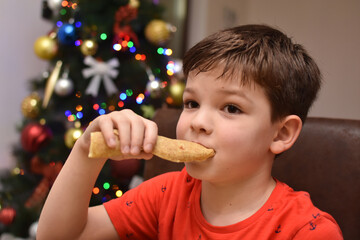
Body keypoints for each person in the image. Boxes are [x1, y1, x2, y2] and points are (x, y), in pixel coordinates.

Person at [37, 24, 343, 239]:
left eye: (231, 108)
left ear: (281, 134)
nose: (197, 122)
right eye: (192, 102)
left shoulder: (307, 230)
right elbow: (61, 236)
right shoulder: (164, 196)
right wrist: (86, 151)